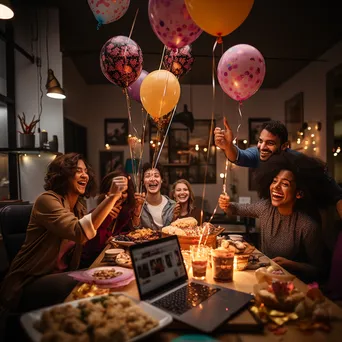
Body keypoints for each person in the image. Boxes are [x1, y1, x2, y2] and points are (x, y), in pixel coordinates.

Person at [0, 153, 128, 315]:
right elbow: (80, 232)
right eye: (77, 170)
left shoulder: (79, 207)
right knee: (87, 284)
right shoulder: (46, 201)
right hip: (30, 280)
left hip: (61, 274)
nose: (84, 175)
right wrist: (112, 197)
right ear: (63, 174)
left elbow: (88, 243)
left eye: (85, 171)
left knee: (108, 277)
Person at [218, 151, 329, 282]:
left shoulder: (307, 225)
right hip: (265, 279)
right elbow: (237, 208)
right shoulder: (265, 208)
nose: (276, 187)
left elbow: (320, 271)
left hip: (292, 287)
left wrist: (291, 264)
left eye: (285, 184)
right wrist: (226, 204)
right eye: (275, 181)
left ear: (299, 193)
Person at [214, 118, 342, 218]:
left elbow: (335, 193)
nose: (262, 147)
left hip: (304, 219)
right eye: (260, 141)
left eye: (270, 143)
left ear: (284, 146)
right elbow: (238, 156)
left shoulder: (297, 161)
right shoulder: (260, 154)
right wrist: (227, 145)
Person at [80, 170, 135, 268]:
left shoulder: (122, 213)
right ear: (106, 192)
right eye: (117, 191)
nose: (121, 195)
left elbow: (126, 234)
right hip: (90, 265)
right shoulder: (95, 214)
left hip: (111, 262)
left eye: (125, 192)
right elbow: (91, 248)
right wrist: (106, 220)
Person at [132, 163, 176, 230]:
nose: (152, 179)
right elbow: (135, 231)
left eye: (156, 176)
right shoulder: (138, 204)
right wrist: (137, 212)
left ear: (161, 180)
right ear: (143, 181)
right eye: (147, 176)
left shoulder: (172, 205)